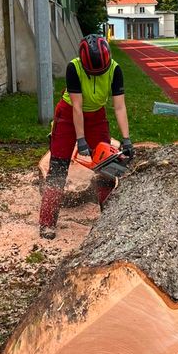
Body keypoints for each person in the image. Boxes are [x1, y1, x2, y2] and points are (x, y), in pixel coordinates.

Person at [39, 34, 134, 239]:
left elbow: (119, 106)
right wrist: (80, 140)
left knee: (107, 166)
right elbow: (77, 107)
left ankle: (108, 219)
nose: (97, 75)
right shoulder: (74, 68)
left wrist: (126, 139)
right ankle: (47, 222)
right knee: (58, 166)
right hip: (68, 114)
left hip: (97, 116)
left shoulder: (115, 69)